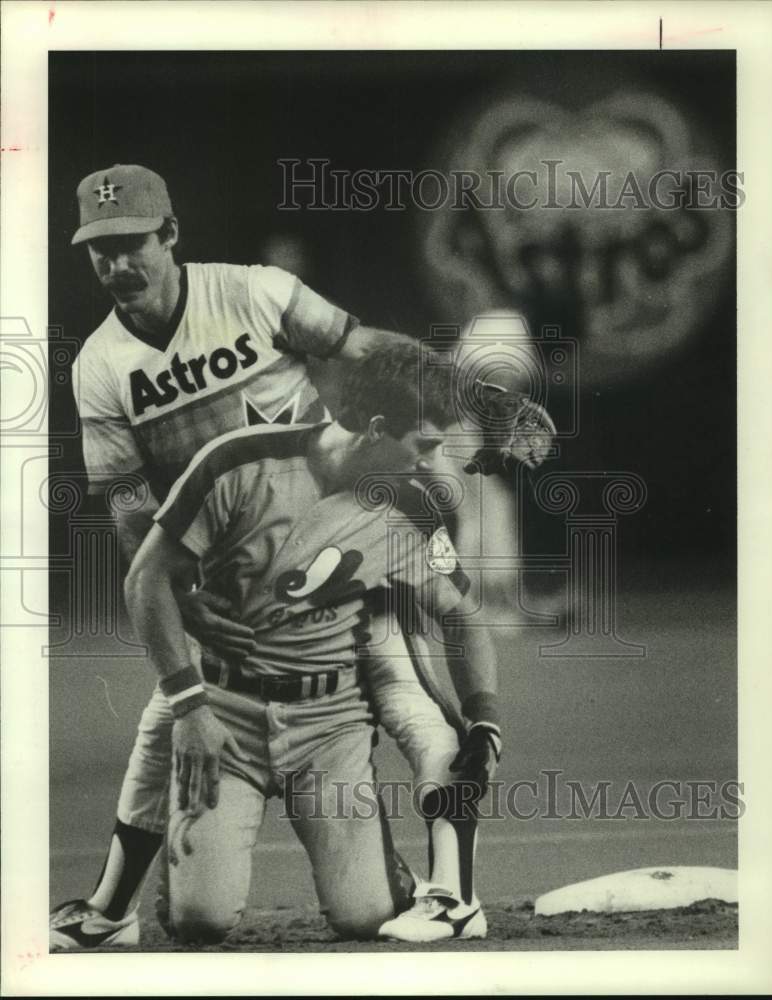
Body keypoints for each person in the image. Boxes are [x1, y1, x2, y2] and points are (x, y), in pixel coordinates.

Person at [50, 165, 549, 948]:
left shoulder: (256, 293)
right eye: (99, 250)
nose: (116, 264)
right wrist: (185, 618)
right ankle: (114, 910)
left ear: (171, 235)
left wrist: (472, 399)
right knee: (176, 734)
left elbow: (370, 347)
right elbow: (126, 512)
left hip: (337, 562)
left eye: (131, 244)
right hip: (222, 561)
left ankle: (450, 892)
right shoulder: (102, 367)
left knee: (416, 700)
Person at [123, 344, 501, 943]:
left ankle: (388, 881)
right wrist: (189, 707)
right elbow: (146, 580)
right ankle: (171, 876)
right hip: (224, 712)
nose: (432, 462)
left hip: (330, 724)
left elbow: (462, 614)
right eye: (424, 444)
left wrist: (485, 719)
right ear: (376, 429)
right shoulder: (238, 463)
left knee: (367, 918)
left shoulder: (412, 505)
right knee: (200, 920)